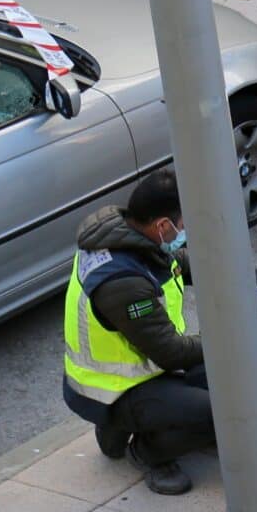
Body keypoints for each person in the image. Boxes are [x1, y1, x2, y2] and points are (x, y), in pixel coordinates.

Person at [61, 171, 210, 495]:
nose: (183, 232)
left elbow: (174, 263)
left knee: (222, 377)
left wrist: (232, 270)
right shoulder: (123, 282)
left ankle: (117, 429)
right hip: (113, 390)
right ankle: (146, 451)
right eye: (181, 225)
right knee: (221, 410)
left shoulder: (128, 237)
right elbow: (170, 352)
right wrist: (228, 343)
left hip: (138, 373)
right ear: (162, 226)